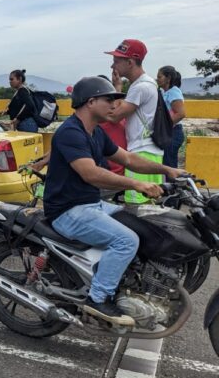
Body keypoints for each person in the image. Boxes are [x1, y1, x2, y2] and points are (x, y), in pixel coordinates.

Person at [43, 76, 184, 325]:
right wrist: (136, 183)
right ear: (90, 102)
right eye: (109, 100)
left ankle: (124, 284)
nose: (114, 105)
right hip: (67, 211)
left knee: (143, 225)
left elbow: (128, 159)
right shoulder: (70, 132)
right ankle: (97, 300)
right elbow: (91, 173)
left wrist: (167, 170)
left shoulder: (95, 132)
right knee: (125, 240)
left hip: (91, 205)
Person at [107, 39, 163, 203]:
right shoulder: (148, 83)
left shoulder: (140, 87)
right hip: (150, 152)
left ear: (130, 62)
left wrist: (116, 88)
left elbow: (114, 116)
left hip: (141, 152)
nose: (112, 66)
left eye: (116, 61)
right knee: (150, 205)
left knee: (136, 207)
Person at [96, 75, 127, 175]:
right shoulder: (121, 114)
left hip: (109, 174)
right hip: (118, 172)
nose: (112, 105)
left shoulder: (102, 118)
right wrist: (118, 86)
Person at [157, 66, 185, 168]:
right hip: (169, 133)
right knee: (166, 164)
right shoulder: (165, 92)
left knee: (169, 166)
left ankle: (174, 184)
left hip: (173, 133)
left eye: (160, 77)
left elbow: (181, 113)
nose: (157, 79)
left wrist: (164, 126)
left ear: (168, 78)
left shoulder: (174, 91)